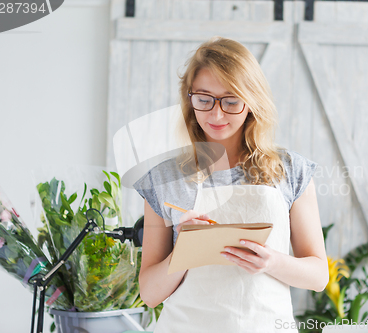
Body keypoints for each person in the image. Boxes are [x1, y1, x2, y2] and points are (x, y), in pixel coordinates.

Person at [133, 36, 328, 333]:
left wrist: (272, 262)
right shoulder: (164, 179)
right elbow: (149, 294)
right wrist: (184, 252)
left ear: (251, 100)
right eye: (204, 99)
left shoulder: (290, 170)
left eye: (231, 100)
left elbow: (318, 276)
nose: (216, 113)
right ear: (190, 99)